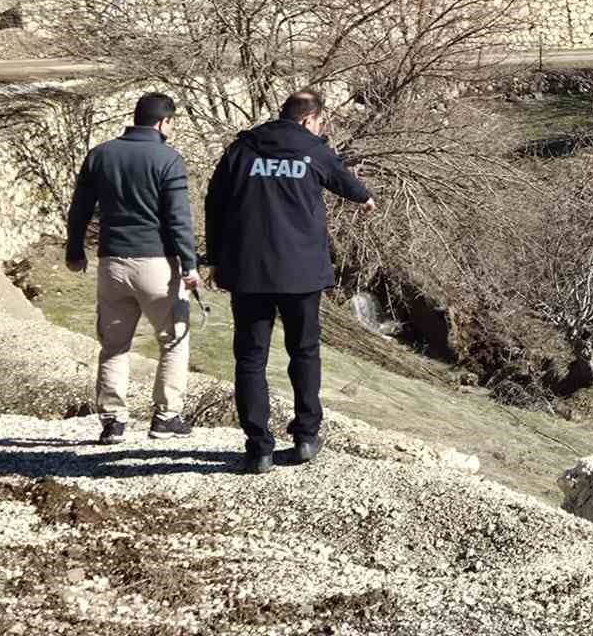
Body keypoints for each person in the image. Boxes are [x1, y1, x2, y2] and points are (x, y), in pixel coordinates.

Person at [203, 88, 375, 474]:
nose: (321, 129)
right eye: (320, 123)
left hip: (249, 272)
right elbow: (343, 180)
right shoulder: (313, 150)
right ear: (308, 120)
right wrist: (364, 198)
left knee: (251, 358)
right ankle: (306, 438)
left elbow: (214, 204)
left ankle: (258, 448)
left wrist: (215, 258)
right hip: (301, 273)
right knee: (304, 352)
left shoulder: (242, 150)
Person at [66, 92, 199, 445]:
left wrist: (74, 249)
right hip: (157, 264)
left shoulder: (100, 155)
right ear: (163, 122)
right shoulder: (169, 159)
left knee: (114, 345)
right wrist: (190, 264)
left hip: (112, 262)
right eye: (172, 123)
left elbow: (80, 208)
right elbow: (178, 219)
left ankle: (113, 422)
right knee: (173, 340)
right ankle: (166, 418)